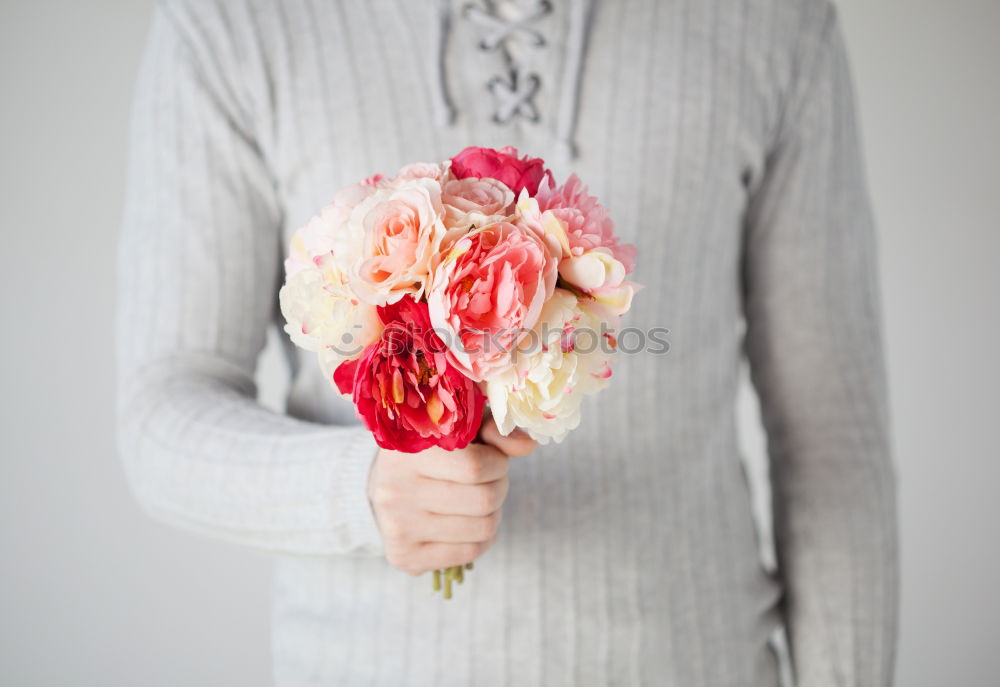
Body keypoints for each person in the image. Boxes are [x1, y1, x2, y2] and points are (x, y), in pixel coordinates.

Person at [116, 0, 898, 685]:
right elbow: (164, 408)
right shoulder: (231, 23)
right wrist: (360, 488)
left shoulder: (775, 21)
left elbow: (834, 439)